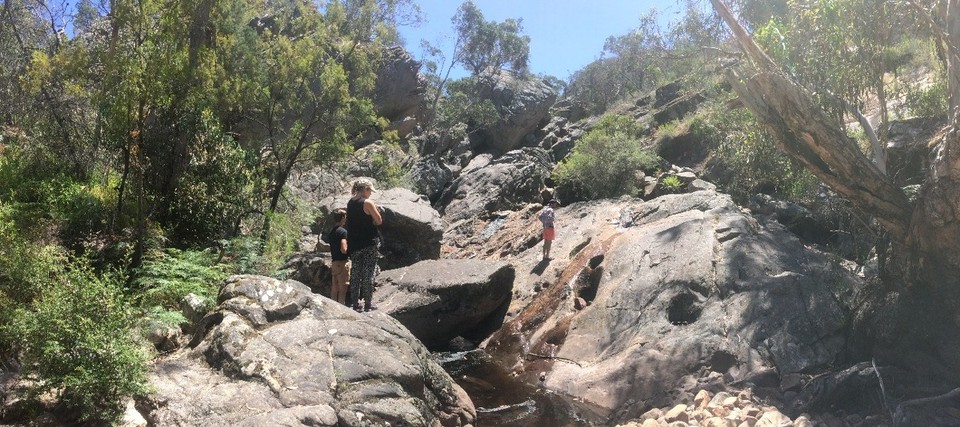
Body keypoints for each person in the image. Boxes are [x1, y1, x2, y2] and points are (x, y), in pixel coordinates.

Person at [346, 179, 383, 312]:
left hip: (354, 244)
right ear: (365, 189)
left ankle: (355, 303)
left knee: (355, 273)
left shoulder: (350, 202)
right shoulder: (367, 202)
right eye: (370, 191)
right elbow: (378, 221)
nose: (370, 194)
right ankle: (368, 303)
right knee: (368, 273)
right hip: (369, 243)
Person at [326, 209, 350, 305]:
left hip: (334, 262)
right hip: (342, 262)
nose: (345, 219)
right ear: (342, 218)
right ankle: (341, 308)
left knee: (334, 288)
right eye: (345, 217)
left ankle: (332, 307)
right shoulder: (343, 232)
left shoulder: (331, 232)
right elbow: (344, 249)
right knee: (342, 289)